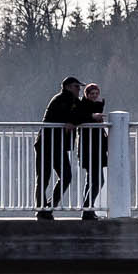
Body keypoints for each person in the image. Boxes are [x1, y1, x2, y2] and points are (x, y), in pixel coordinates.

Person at [35, 76, 85, 219]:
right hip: (46, 143)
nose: (79, 90)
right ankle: (42, 210)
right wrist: (72, 120)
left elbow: (81, 114)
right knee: (44, 178)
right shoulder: (61, 99)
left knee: (66, 176)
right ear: (68, 87)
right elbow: (68, 115)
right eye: (76, 86)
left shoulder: (74, 101)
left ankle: (48, 208)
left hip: (58, 145)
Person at [77, 82, 110, 218]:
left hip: (95, 148)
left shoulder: (95, 106)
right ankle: (87, 209)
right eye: (92, 93)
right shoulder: (82, 106)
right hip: (90, 148)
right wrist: (92, 117)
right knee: (98, 180)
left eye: (96, 93)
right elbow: (79, 118)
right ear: (86, 94)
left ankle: (88, 211)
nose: (94, 96)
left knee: (91, 180)